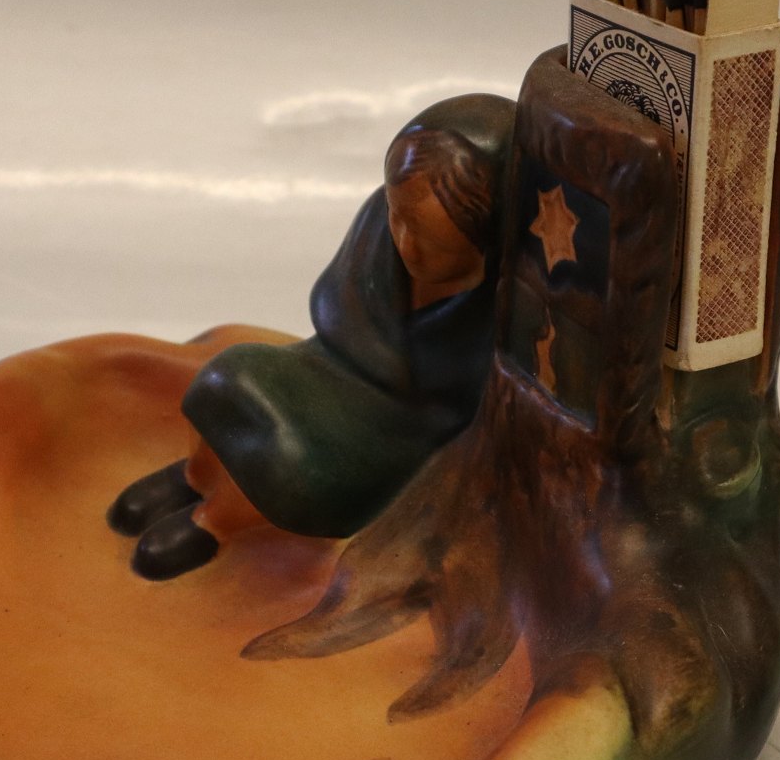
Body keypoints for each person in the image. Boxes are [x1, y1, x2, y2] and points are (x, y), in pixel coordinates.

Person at [109, 93, 516, 579]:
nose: (407, 246)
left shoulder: (501, 300)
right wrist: (367, 349)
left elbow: (463, 396)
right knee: (228, 374)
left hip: (402, 426)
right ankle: (195, 475)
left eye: (436, 244)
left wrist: (396, 375)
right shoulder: (380, 220)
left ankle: (214, 522)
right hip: (329, 359)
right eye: (399, 219)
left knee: (306, 463)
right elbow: (331, 300)